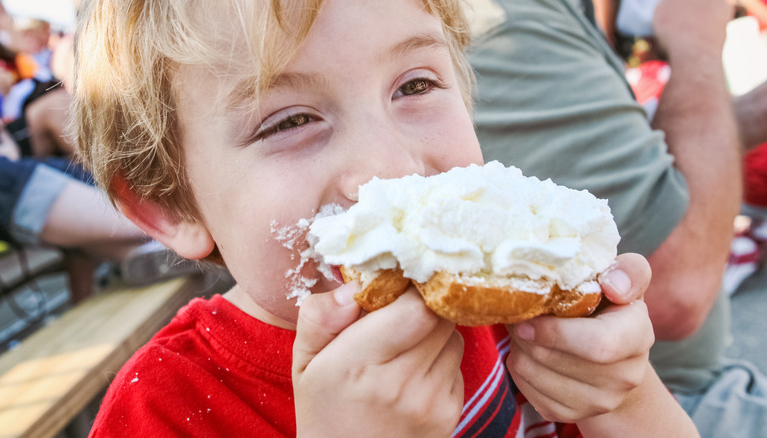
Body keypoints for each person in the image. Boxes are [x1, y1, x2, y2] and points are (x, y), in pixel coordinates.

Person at [73, 0, 699, 436]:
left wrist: (621, 393)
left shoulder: (509, 300)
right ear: (167, 205)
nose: (391, 166)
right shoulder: (162, 409)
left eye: (415, 86)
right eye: (290, 120)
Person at [467, 0, 766, 436]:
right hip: (673, 392)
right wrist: (697, 44)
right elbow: (677, 294)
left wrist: (741, 118)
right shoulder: (505, 23)